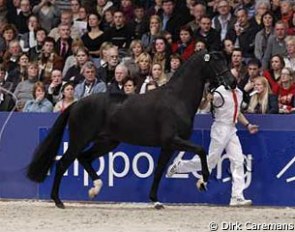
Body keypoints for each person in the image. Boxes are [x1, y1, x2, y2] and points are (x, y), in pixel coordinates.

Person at [167, 84, 259, 206]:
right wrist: (207, 98)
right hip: (220, 127)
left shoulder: (239, 93)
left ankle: (237, 196)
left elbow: (237, 113)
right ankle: (180, 166)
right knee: (211, 161)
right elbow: (203, 107)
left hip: (232, 128)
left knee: (238, 160)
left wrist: (248, 125)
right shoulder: (219, 91)